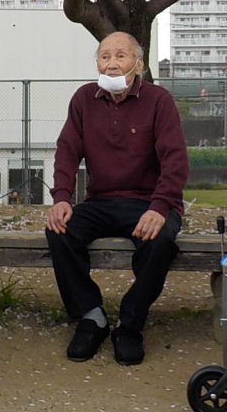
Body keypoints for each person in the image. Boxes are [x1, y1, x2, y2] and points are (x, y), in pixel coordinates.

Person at [45, 31, 189, 366]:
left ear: (138, 64)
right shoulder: (83, 99)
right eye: (104, 56)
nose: (111, 64)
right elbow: (66, 151)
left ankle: (130, 323)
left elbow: (175, 161)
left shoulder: (159, 100)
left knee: (161, 239)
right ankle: (91, 316)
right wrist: (62, 197)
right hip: (101, 200)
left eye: (120, 56)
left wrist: (160, 207)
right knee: (59, 229)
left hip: (150, 201)